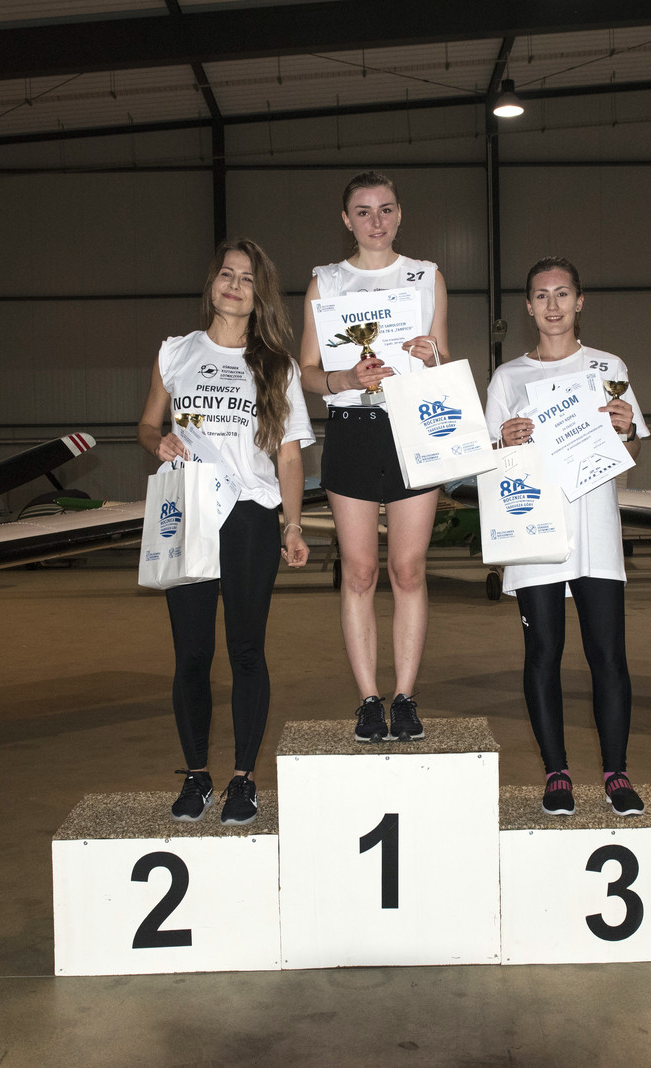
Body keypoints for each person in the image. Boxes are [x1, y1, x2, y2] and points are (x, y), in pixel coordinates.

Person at [138, 238, 312, 824]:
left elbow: (289, 456)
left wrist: (292, 524)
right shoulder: (175, 352)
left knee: (245, 649)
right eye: (227, 275)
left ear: (259, 294)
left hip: (249, 515)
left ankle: (243, 778)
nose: (235, 286)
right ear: (212, 282)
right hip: (189, 511)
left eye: (247, 279)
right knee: (191, 651)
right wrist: (158, 442)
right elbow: (146, 425)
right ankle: (196, 776)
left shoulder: (277, 366)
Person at [485, 256, 649, 817]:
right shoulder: (507, 378)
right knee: (543, 654)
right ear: (528, 307)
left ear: (580, 301)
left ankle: (616, 773)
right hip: (533, 533)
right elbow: (488, 460)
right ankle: (556, 773)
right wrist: (503, 441)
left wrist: (627, 429)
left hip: (595, 531)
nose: (552, 305)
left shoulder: (608, 367)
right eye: (541, 295)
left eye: (562, 294)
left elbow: (631, 450)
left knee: (608, 656)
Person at [297, 171, 447, 743]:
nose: (376, 221)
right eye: (363, 211)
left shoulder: (426, 277)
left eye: (386, 209)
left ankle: (405, 697)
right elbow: (307, 371)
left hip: (413, 431)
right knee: (359, 572)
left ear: (400, 214)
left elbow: (443, 359)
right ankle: (367, 700)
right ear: (346, 220)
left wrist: (432, 356)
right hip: (352, 431)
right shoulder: (325, 283)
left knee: (408, 570)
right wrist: (342, 379)